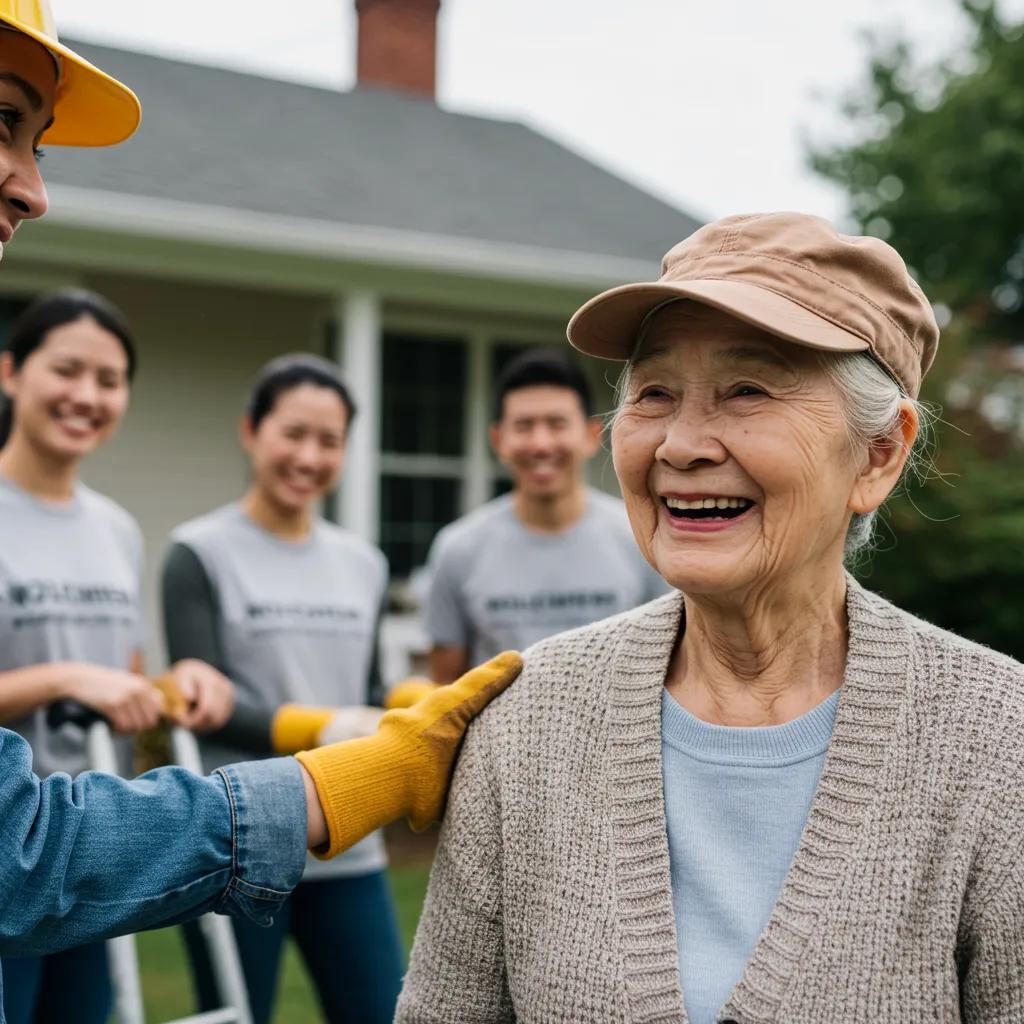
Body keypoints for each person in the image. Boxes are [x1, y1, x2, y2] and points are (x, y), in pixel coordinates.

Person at [0, 1, 521, 1009]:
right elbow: (18, 853)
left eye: (36, 141)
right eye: (0, 121)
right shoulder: (200, 547)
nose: (34, 188)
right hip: (132, 842)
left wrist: (379, 722)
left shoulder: (137, 530)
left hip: (127, 832)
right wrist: (362, 763)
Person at [396, 213, 1024, 1023]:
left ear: (878, 454)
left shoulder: (998, 740)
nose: (682, 444)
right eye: (655, 393)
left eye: (748, 391)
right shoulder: (522, 724)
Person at [0, 288, 240, 1024]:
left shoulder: (117, 529)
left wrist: (178, 685)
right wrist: (65, 678)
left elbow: (122, 686)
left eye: (109, 381)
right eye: (66, 370)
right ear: (10, 372)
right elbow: (84, 677)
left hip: (94, 850)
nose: (86, 395)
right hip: (9, 856)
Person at [162, 354, 404, 1024]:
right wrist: (321, 728)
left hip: (350, 847)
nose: (309, 456)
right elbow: (203, 708)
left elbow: (372, 694)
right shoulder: (198, 553)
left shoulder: (365, 564)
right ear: (251, 431)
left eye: (328, 441)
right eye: (293, 434)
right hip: (234, 849)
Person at [425, 348, 667, 682]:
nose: (541, 443)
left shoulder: (642, 537)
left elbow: (669, 664)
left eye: (557, 424)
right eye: (524, 426)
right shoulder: (458, 549)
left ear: (590, 436)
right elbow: (445, 689)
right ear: (498, 440)